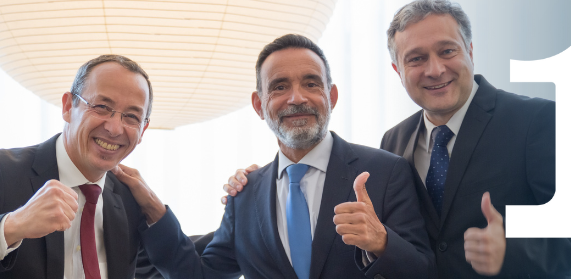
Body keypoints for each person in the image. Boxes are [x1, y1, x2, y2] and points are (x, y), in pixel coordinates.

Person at [224, 0, 571, 278]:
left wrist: (511, 253)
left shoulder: (538, 120)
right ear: (397, 69)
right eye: (416, 58)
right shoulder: (394, 141)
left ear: (470, 51)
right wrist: (262, 188)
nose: (434, 69)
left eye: (447, 51)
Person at [114, 34, 434, 279]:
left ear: (331, 96)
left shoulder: (386, 171)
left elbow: (426, 270)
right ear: (259, 105)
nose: (297, 98)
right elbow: (198, 275)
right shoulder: (245, 194)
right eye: (279, 87)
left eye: (311, 83)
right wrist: (155, 210)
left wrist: (382, 242)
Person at [0, 55, 170, 278]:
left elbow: (176, 267)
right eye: (100, 107)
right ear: (67, 106)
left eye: (131, 117)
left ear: (143, 129)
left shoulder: (128, 197)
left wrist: (159, 213)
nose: (114, 127)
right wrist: (13, 226)